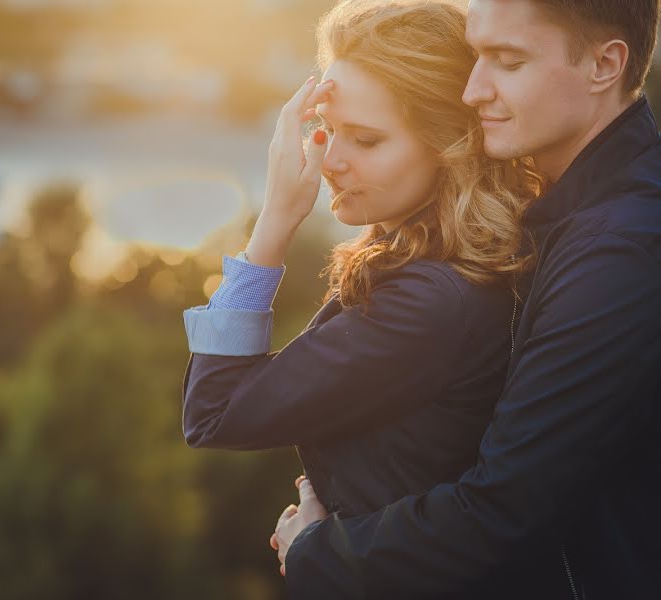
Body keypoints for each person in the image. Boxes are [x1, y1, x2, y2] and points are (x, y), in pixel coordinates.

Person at [277, 1, 661, 598]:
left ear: (605, 64)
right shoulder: (556, 213)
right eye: (476, 54)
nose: (472, 89)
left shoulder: (618, 253)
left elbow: (503, 511)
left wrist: (317, 550)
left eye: (507, 62)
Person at [181, 0, 535, 578]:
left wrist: (272, 226)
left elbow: (215, 412)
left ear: (451, 146)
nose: (330, 162)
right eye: (327, 132)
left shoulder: (430, 302)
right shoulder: (441, 261)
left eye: (366, 141)